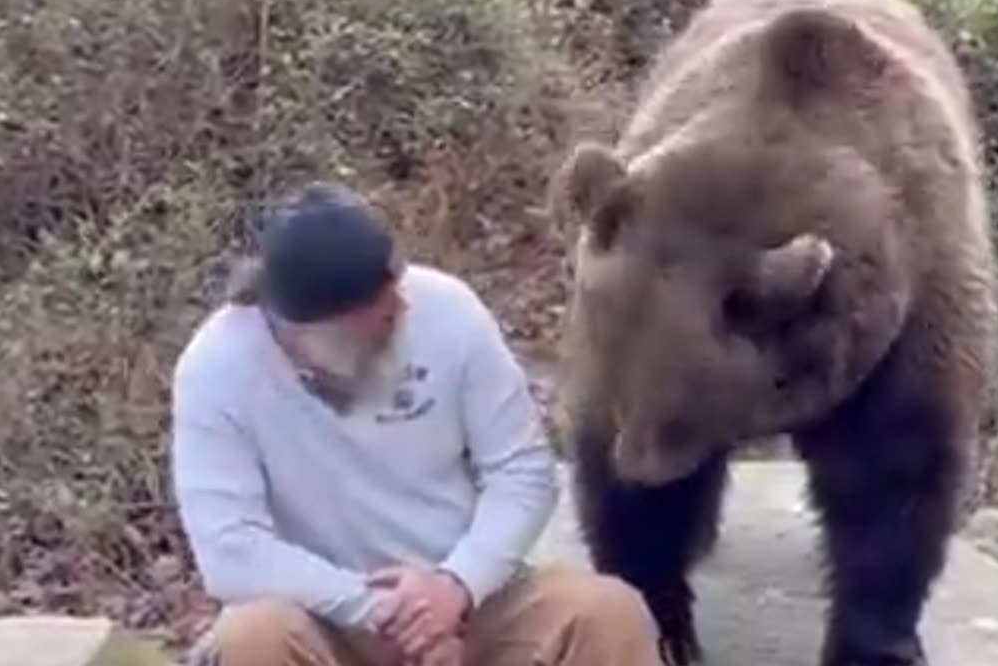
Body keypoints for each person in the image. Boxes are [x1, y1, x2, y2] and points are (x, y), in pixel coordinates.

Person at [171, 181, 665, 666]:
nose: (402, 306)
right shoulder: (217, 368)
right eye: (381, 309)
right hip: (323, 618)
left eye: (397, 284)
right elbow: (232, 552)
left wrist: (456, 586)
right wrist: (385, 612)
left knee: (608, 613)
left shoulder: (447, 310)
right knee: (252, 637)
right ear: (316, 328)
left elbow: (523, 470)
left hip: (470, 598)